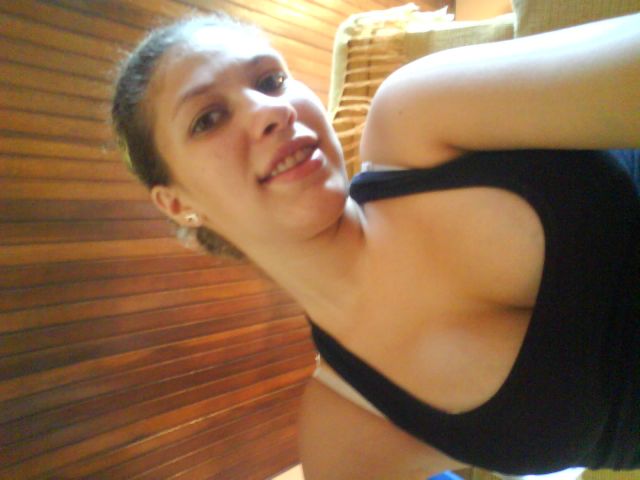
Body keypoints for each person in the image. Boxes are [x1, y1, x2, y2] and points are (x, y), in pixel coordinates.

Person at [111, 11, 640, 480]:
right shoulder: (347, 436)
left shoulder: (418, 115)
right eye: (207, 119)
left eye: (271, 80)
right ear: (177, 203)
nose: (270, 111)